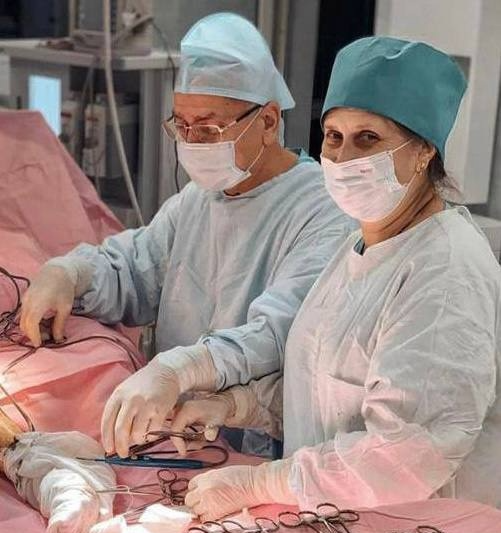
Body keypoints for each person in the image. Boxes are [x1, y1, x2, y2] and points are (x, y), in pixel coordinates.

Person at [172, 36, 501, 521]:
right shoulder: (361, 246)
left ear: (424, 151)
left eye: (368, 138)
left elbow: (405, 454)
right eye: (333, 136)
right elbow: (326, 389)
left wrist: (259, 482)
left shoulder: (446, 270)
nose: (344, 157)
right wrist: (239, 405)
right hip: (340, 520)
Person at [19, 13, 352, 458]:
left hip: (258, 452)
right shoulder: (198, 200)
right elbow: (134, 269)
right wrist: (70, 273)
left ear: (269, 121)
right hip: (175, 439)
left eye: (210, 129)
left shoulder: (324, 212)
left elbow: (278, 334)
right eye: (182, 125)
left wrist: (180, 369)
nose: (192, 142)